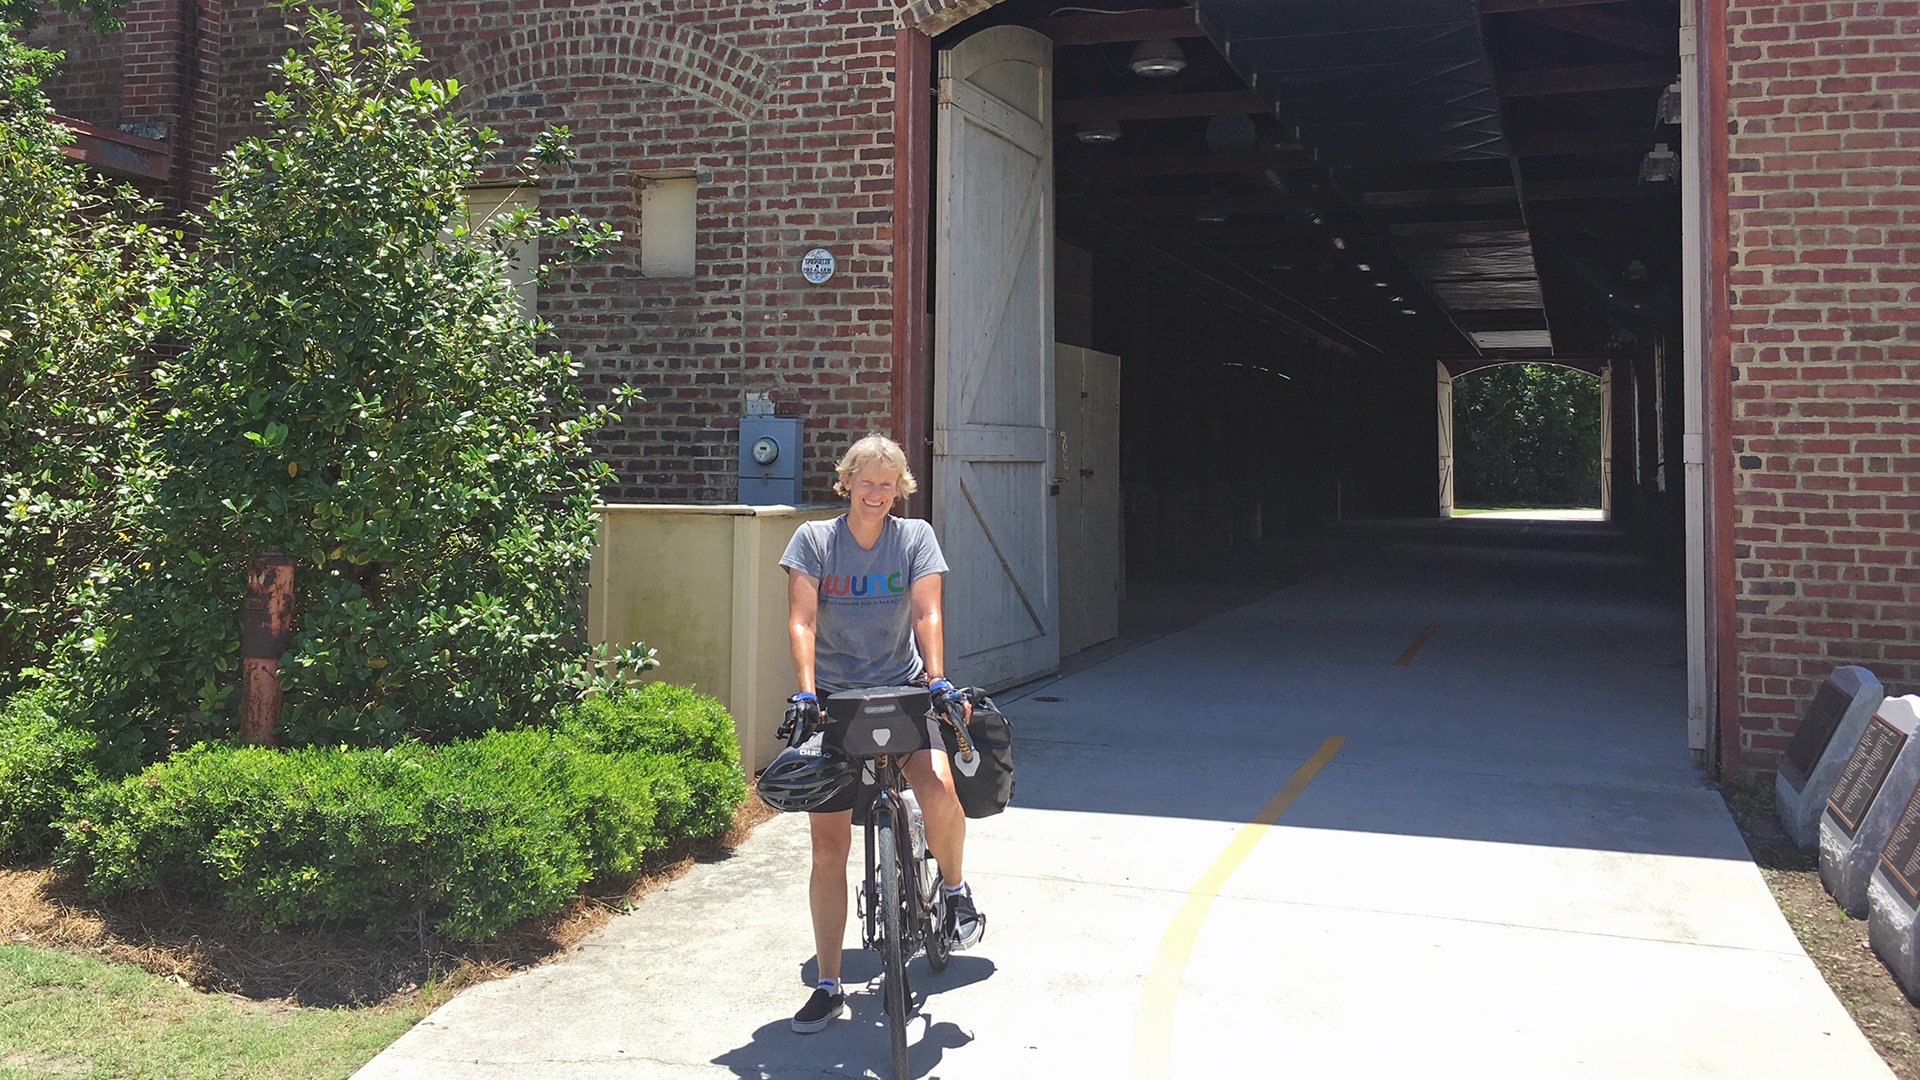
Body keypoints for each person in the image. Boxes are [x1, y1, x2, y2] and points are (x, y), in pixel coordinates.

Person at [777, 432, 985, 1034]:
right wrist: (807, 692)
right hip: (834, 700)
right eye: (865, 482)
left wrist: (939, 679)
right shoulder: (814, 541)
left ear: (900, 490)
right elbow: (802, 619)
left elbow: (926, 612)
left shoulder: (913, 537)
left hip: (903, 689)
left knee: (940, 788)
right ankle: (828, 982)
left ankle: (952, 889)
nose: (876, 494)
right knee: (827, 847)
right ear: (845, 482)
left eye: (887, 485)